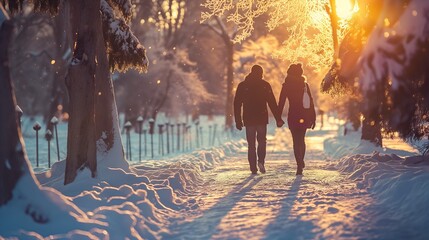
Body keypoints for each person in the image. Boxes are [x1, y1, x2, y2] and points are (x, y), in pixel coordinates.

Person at [234, 65, 285, 174]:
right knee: (262, 142)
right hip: (261, 118)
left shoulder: (243, 86)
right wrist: (278, 118)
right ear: (261, 73)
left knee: (251, 145)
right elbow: (272, 103)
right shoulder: (265, 85)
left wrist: (238, 120)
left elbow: (237, 104)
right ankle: (261, 161)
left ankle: (253, 168)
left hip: (249, 119)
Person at [278, 63, 316, 175]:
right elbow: (311, 102)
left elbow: (281, 102)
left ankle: (299, 163)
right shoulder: (304, 85)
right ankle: (301, 161)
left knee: (296, 141)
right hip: (304, 115)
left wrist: (278, 117)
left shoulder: (286, 86)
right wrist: (313, 117)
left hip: (293, 115)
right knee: (302, 139)